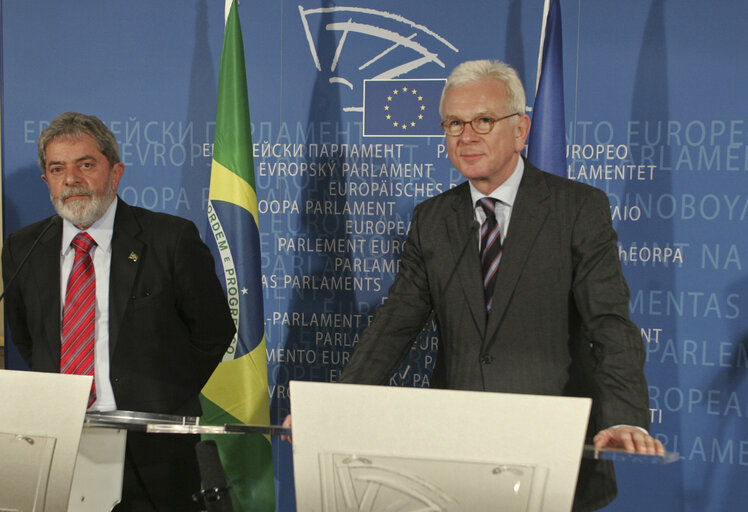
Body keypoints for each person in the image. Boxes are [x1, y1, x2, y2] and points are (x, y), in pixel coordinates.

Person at [284, 59, 664, 511]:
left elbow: (610, 324)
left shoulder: (577, 208)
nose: (467, 136)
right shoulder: (432, 219)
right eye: (454, 123)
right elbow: (394, 325)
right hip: (455, 450)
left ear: (521, 129)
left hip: (553, 450)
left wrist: (624, 418)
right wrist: (335, 410)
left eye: (484, 120)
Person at [2, 112, 236, 511]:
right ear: (47, 181)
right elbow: (28, 338)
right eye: (57, 169)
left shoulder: (169, 239)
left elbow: (213, 331)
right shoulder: (23, 247)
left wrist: (158, 396)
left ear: (116, 172)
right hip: (60, 444)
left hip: (152, 448)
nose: (71, 179)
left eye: (86, 164)